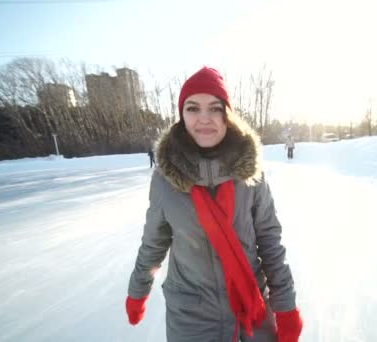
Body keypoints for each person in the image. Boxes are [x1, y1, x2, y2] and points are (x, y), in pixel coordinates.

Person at [125, 66, 303, 342]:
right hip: (191, 318)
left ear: (227, 114)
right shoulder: (165, 181)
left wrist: (286, 307)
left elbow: (270, 242)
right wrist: (138, 291)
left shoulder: (250, 175)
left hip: (252, 310)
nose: (204, 119)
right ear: (182, 115)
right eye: (193, 108)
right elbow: (154, 243)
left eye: (215, 108)